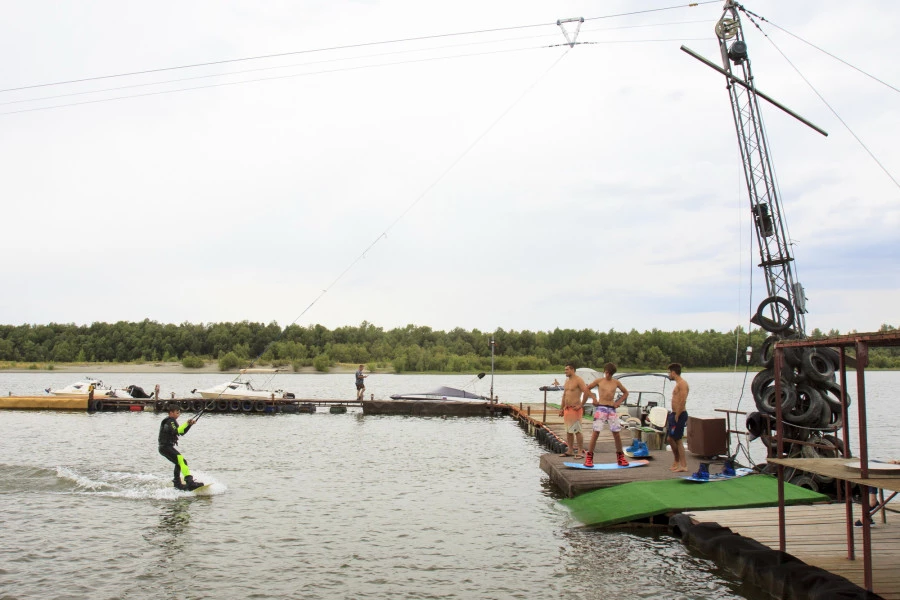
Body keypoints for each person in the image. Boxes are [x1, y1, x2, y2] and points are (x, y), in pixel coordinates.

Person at [583, 363, 630, 467]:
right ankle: (589, 458)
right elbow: (587, 388)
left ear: (612, 373)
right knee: (596, 433)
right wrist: (594, 399)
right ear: (604, 372)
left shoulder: (616, 382)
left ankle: (620, 457)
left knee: (616, 433)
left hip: (611, 409)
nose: (607, 375)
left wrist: (618, 402)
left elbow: (626, 393)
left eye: (609, 373)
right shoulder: (599, 381)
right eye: (606, 373)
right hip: (601, 408)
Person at [158, 404, 204, 491]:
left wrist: (189, 425)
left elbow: (181, 433)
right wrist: (187, 423)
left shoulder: (172, 421)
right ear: (171, 413)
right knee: (182, 461)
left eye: (179, 413)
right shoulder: (170, 420)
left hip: (164, 448)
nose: (178, 415)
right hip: (165, 447)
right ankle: (190, 482)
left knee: (179, 463)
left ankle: (177, 483)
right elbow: (177, 431)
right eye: (177, 413)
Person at [558, 362, 590, 458]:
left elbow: (586, 392)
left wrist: (581, 404)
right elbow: (564, 395)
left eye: (567, 369)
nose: (565, 371)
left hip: (575, 409)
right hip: (567, 408)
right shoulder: (567, 381)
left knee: (577, 430)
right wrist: (561, 408)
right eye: (565, 370)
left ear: (572, 369)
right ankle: (570, 449)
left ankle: (580, 451)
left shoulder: (578, 380)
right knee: (568, 430)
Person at [666, 363, 690, 472]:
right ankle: (676, 460)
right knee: (670, 438)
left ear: (673, 373)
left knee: (678, 440)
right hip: (674, 414)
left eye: (669, 372)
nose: (668, 374)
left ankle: (683, 465)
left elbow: (683, 400)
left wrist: (678, 414)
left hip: (679, 415)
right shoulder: (677, 384)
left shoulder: (682, 384)